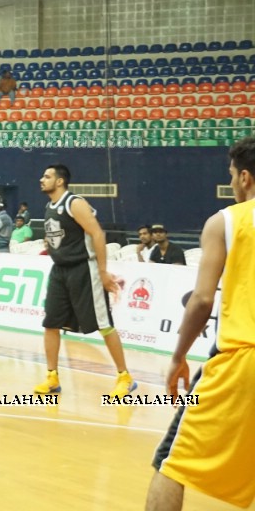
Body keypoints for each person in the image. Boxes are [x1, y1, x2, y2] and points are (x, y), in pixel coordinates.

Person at [145, 136, 255, 511]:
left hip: (243, 359)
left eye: (230, 175)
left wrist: (178, 355)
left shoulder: (226, 220)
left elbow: (203, 299)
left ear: (244, 177)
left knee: (170, 463)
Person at [33, 164, 137, 399]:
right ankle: (52, 377)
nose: (42, 179)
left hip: (84, 269)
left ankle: (125, 377)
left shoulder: (74, 203)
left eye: (47, 176)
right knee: (50, 323)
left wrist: (102, 271)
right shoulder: (49, 206)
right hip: (59, 271)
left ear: (60, 181)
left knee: (104, 323)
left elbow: (98, 234)